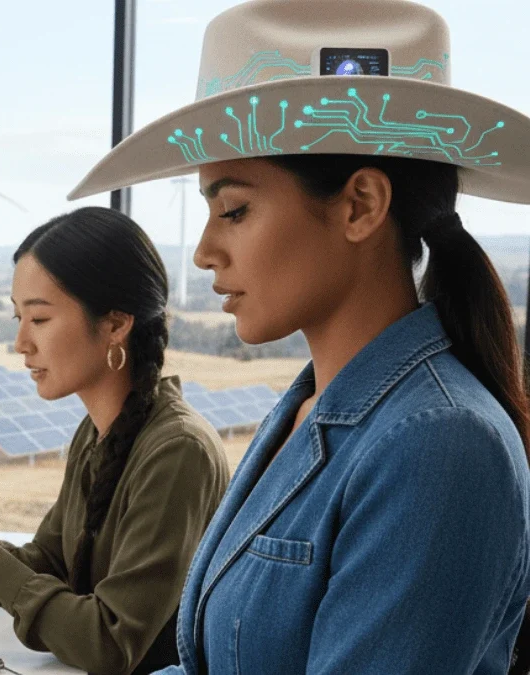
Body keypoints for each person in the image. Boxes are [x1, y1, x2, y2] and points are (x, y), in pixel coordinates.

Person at [62, 1, 530, 672]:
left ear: (360, 205)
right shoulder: (314, 408)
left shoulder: (438, 443)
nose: (202, 251)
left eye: (235, 209)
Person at [0, 207, 230, 674]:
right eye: (17, 317)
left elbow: (108, 644)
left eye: (40, 319)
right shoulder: (97, 432)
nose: (21, 342)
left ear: (114, 324)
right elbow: (48, 564)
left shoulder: (178, 452)